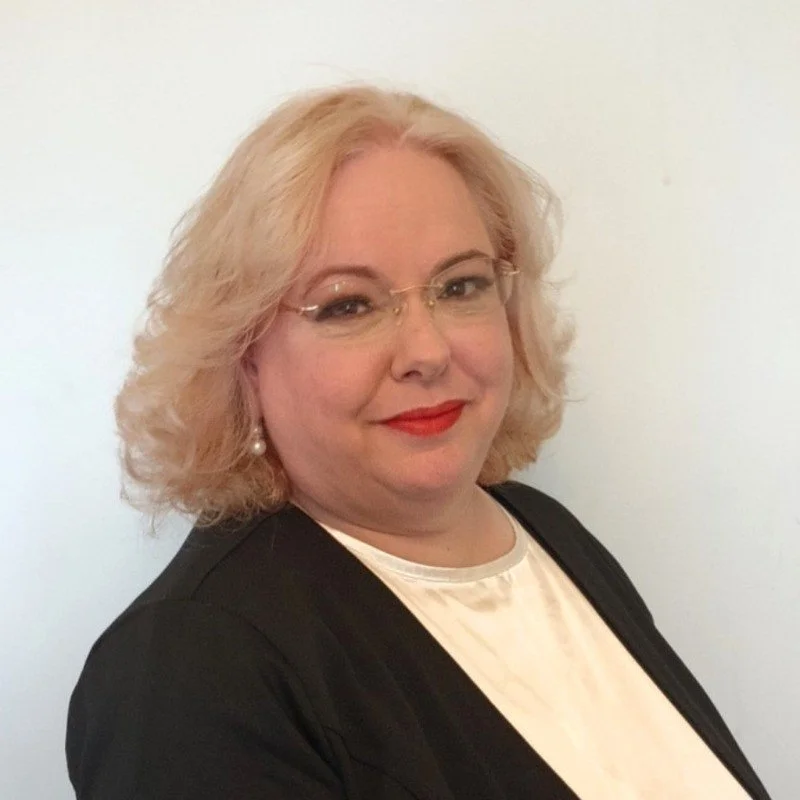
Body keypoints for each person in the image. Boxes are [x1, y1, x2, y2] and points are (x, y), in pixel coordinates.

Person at [66, 85, 771, 800]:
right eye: (349, 304)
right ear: (244, 354)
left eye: (460, 286)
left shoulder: (548, 533)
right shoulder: (189, 671)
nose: (427, 351)